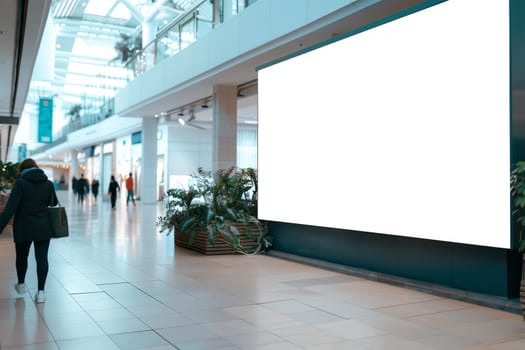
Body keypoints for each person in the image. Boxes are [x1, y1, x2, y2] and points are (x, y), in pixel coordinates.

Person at [0, 158, 58, 303]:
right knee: (42, 258)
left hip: (23, 227)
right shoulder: (49, 184)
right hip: (44, 227)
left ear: (22, 171)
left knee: (22, 257)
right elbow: (54, 203)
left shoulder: (21, 184)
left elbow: (9, 210)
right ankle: (41, 292)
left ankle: (21, 285)